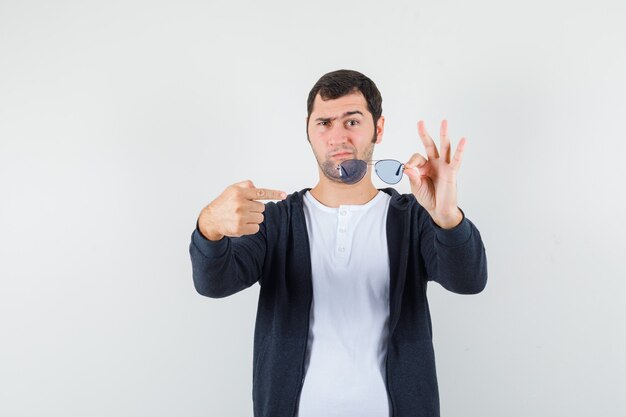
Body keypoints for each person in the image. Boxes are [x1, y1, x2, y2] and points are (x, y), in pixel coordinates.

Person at [189, 69, 487, 417]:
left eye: (352, 121)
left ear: (378, 127)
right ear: (309, 131)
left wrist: (447, 216)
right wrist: (209, 226)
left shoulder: (414, 218)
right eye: (324, 123)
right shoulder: (275, 223)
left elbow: (469, 280)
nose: (337, 136)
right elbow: (213, 283)